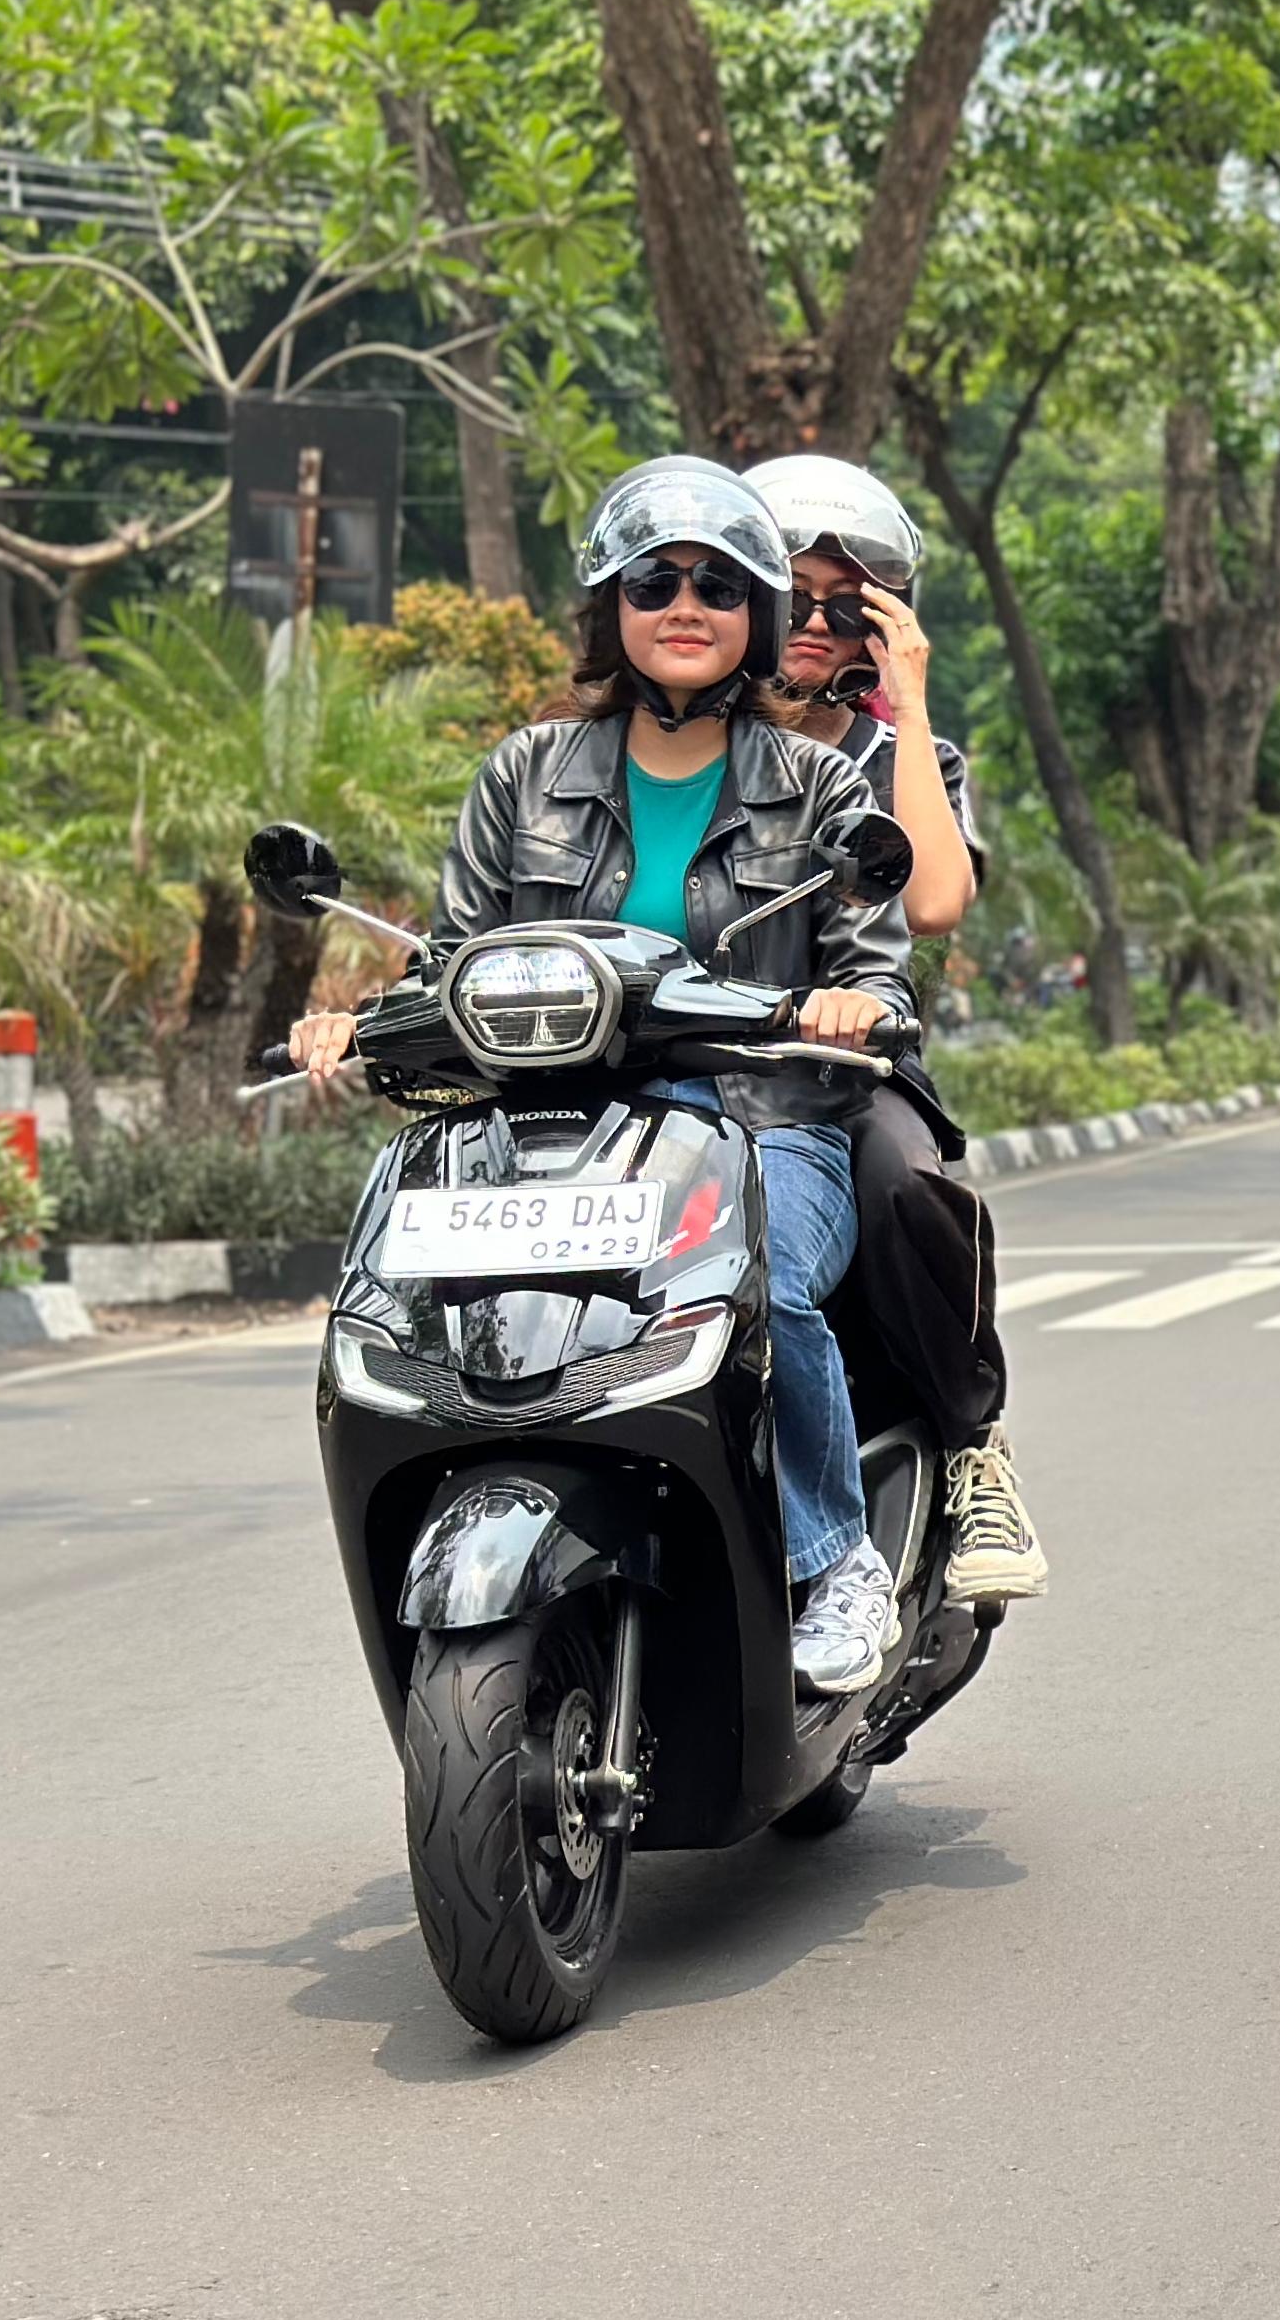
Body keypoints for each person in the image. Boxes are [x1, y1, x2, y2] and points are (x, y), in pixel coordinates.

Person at [289, 459, 917, 1694]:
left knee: (766, 1284)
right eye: (654, 580)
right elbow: (454, 960)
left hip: (759, 1126)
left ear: (759, 618)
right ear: (611, 610)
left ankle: (836, 1555)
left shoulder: (819, 785)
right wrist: (353, 1024)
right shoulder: (525, 774)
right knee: (411, 1304)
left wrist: (847, 1006)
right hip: (551, 1133)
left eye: (719, 586)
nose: (685, 604)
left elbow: (881, 979)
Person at [747, 454, 1045, 1606]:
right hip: (668, 1060)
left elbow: (931, 904)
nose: (811, 627)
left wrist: (908, 707)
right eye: (787, 598)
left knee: (904, 1187)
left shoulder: (900, 753)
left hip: (839, 1063)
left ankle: (972, 1447)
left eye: (843, 606)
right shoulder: (668, 741)